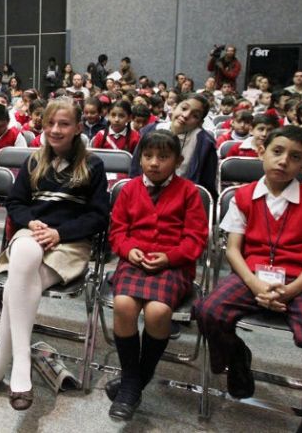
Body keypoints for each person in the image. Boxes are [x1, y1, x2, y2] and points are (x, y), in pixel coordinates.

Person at [0, 97, 109, 410]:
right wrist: (31, 221)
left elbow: (98, 216)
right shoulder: (34, 161)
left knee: (17, 286)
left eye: (64, 124)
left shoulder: (93, 165)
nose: (55, 129)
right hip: (32, 234)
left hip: (70, 243)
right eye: (50, 123)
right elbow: (16, 203)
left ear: (78, 127)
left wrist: (59, 233)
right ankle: (21, 363)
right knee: (24, 250)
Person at [194, 125, 302, 433]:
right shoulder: (243, 196)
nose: (283, 161)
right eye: (277, 152)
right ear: (262, 151)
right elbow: (234, 251)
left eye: (294, 157)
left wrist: (290, 290)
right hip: (253, 275)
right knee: (207, 311)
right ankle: (238, 359)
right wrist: (255, 285)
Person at [106, 130, 209, 420]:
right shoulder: (129, 189)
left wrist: (170, 257)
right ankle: (131, 382)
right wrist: (128, 250)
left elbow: (196, 239)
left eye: (163, 157)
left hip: (173, 265)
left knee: (158, 312)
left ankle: (134, 382)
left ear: (177, 161)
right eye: (148, 156)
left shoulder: (188, 192)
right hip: (134, 260)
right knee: (124, 305)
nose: (154, 163)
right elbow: (117, 233)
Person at [131, 93, 218, 199]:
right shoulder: (150, 130)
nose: (186, 115)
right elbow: (135, 169)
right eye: (184, 108)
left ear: (200, 123)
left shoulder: (205, 144)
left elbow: (206, 188)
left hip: (183, 198)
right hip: (144, 194)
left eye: (195, 116)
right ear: (174, 106)